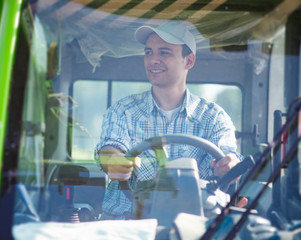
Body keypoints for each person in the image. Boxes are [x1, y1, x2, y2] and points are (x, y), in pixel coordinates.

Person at [95, 21, 242, 219]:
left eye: (163, 52)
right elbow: (110, 148)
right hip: (128, 226)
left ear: (188, 61)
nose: (152, 60)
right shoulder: (123, 110)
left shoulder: (214, 117)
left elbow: (228, 158)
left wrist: (230, 165)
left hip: (195, 228)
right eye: (148, 52)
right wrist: (114, 161)